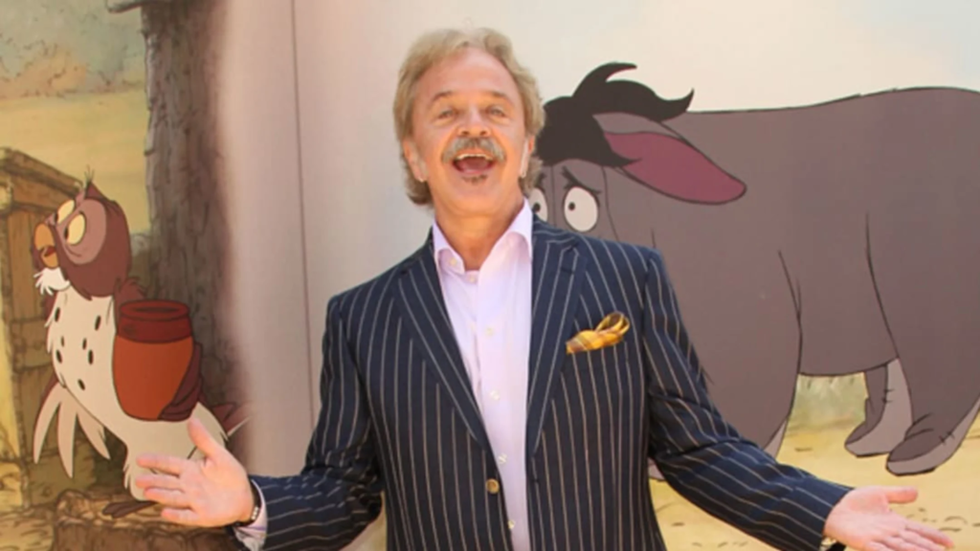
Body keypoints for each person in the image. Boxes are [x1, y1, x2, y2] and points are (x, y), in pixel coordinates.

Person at [134, 27, 956, 551]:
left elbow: (700, 449)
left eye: (496, 111)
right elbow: (345, 490)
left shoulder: (626, 276)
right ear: (414, 152)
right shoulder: (364, 318)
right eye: (446, 111)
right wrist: (253, 503)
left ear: (527, 145)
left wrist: (824, 509)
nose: (474, 127)